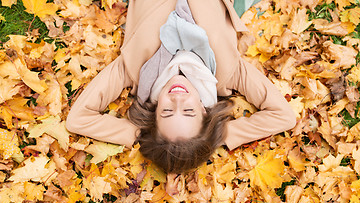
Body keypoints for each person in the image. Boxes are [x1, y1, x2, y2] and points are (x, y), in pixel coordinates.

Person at [66, 0, 296, 174]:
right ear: (205, 111)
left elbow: (78, 119)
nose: (177, 100)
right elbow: (283, 116)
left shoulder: (134, 69)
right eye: (188, 111)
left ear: (154, 112)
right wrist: (217, 137)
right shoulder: (227, 73)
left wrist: (139, 135)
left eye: (167, 111)